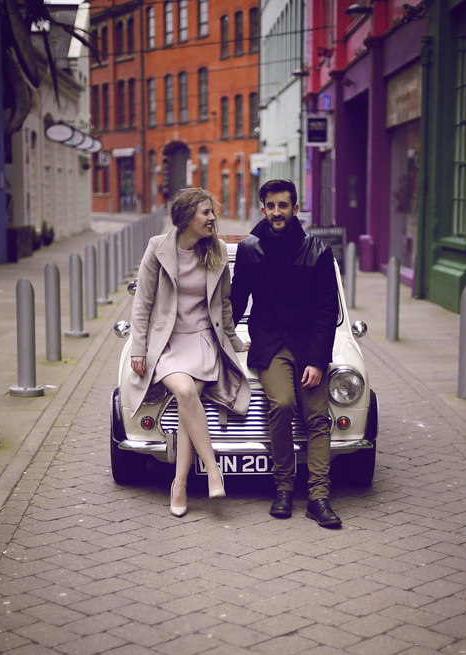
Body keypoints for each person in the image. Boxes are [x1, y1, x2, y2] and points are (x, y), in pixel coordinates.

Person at [128, 188, 251, 517]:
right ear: (185, 219)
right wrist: (138, 348)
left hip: (201, 342)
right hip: (166, 342)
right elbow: (143, 304)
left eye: (212, 212)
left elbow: (223, 305)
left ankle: (179, 485)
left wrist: (236, 343)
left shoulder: (218, 251)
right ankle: (213, 469)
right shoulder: (158, 248)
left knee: (187, 403)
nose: (212, 218)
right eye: (205, 213)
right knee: (184, 392)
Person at [230, 179, 341, 527]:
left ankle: (318, 498)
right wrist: (218, 337)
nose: (277, 212)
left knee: (317, 416)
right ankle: (283, 488)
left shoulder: (318, 252)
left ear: (295, 209)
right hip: (270, 341)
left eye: (284, 206)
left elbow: (326, 311)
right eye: (271, 206)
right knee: (281, 403)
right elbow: (236, 301)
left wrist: (318, 360)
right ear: (263, 209)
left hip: (309, 343)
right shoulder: (249, 250)